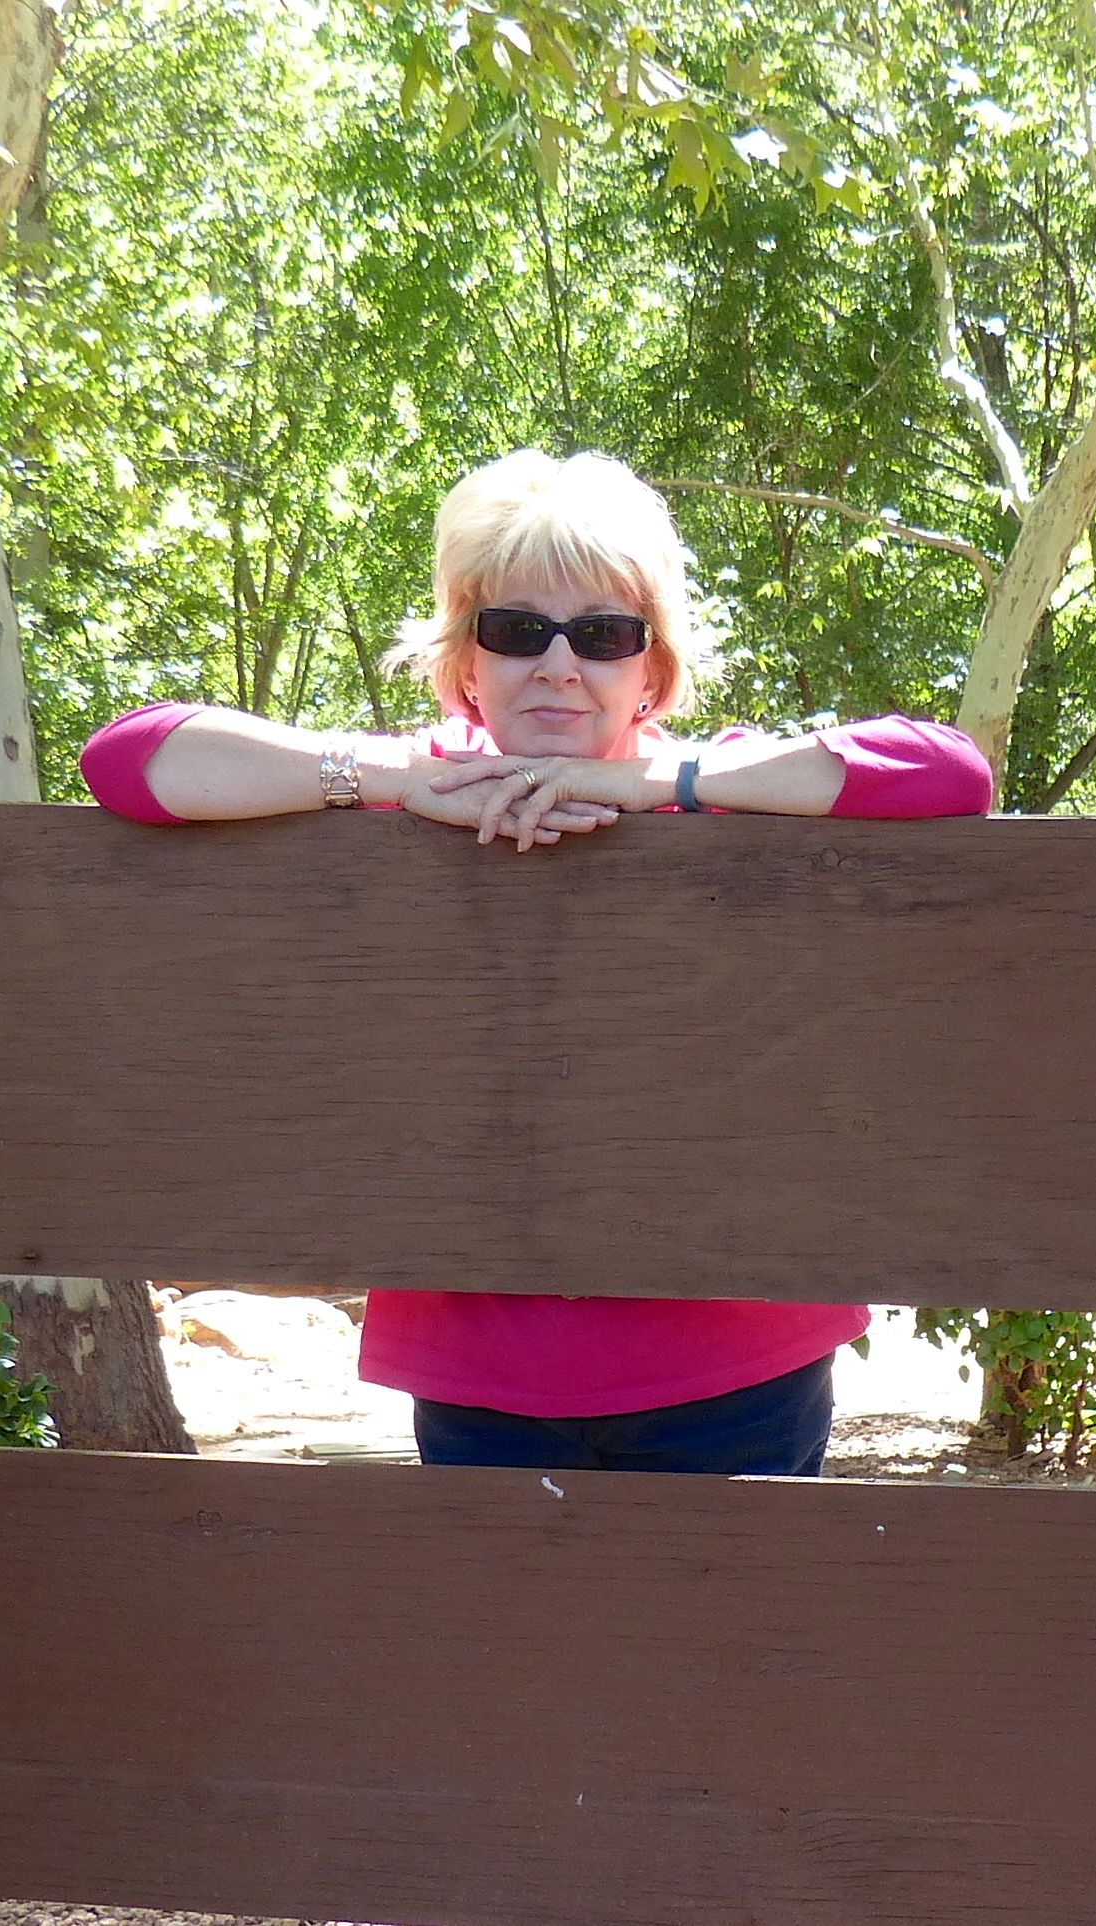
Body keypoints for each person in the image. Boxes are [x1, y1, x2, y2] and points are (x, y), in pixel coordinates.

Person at [78, 448, 993, 1476]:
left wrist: (662, 788)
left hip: (734, 1357)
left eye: (602, 635)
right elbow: (129, 758)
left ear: (651, 668)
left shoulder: (727, 780)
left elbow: (949, 773)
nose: (558, 665)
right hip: (481, 1363)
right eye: (516, 631)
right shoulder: (411, 778)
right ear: (466, 661)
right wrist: (391, 778)